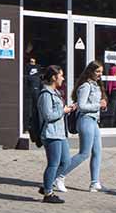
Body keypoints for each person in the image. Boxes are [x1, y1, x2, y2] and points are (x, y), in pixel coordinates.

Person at [61, 60, 107, 193]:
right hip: (85, 120)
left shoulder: (96, 85)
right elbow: (82, 106)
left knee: (97, 152)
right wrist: (98, 105)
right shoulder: (85, 86)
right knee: (84, 153)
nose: (99, 74)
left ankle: (95, 183)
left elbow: (94, 105)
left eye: (101, 72)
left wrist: (102, 106)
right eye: (97, 71)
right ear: (90, 71)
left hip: (94, 121)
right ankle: (59, 175)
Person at [37, 65, 75, 204]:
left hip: (60, 133)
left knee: (66, 162)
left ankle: (47, 184)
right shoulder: (46, 94)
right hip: (51, 134)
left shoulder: (56, 92)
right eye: (61, 75)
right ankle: (48, 193)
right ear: (54, 77)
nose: (63, 78)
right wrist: (63, 111)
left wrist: (68, 109)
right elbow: (48, 115)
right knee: (53, 164)